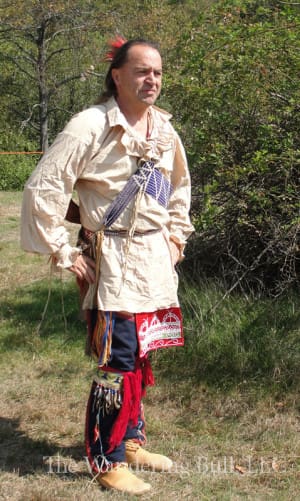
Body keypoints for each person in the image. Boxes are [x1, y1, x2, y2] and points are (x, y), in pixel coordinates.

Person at [21, 37, 194, 495]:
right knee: (115, 359)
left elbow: (178, 189)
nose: (152, 79)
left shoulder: (163, 130)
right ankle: (106, 457)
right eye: (141, 71)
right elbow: (43, 190)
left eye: (157, 71)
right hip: (112, 260)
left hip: (155, 261)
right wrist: (67, 252)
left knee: (141, 353)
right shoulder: (89, 126)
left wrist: (176, 239)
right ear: (117, 75)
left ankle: (131, 441)